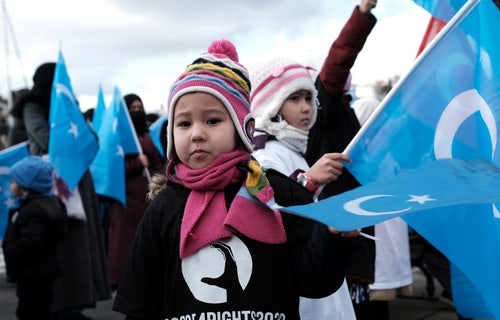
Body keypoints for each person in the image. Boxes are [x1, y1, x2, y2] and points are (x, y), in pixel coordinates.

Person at [113, 39, 360, 319]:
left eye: (212, 120)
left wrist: (333, 239)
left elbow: (314, 281)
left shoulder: (278, 194)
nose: (196, 134)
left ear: (245, 129)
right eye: (184, 123)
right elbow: (140, 302)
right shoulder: (163, 207)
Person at [250, 52, 358, 318]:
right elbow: (265, 212)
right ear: (271, 105)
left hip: (316, 273)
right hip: (298, 284)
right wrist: (307, 181)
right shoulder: (263, 155)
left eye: (309, 97)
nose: (306, 107)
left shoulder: (294, 149)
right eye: (294, 98)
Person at [10, 61, 111, 319]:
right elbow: (45, 139)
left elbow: (90, 139)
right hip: (50, 180)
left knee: (80, 242)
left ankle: (75, 302)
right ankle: (59, 304)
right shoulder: (32, 106)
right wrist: (72, 144)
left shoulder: (69, 105)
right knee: (57, 244)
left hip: (78, 178)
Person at [304, 1, 378, 317]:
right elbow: (337, 63)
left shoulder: (342, 107)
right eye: (295, 98)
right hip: (334, 223)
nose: (302, 106)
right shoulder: (323, 104)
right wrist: (360, 15)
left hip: (354, 218)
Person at [351, 97, 413, 320]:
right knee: (370, 299)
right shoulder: (358, 157)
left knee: (379, 303)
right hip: (374, 235)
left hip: (387, 232)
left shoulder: (385, 153)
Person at [107, 93, 164, 290]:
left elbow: (156, 160)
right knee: (125, 239)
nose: (137, 112)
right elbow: (112, 167)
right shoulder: (118, 136)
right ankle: (121, 278)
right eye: (133, 109)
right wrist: (136, 163)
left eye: (140, 108)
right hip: (125, 197)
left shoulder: (146, 134)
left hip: (146, 195)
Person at [2, 156, 67, 319]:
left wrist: (11, 249)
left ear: (26, 187)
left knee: (31, 312)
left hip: (33, 274)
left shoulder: (34, 210)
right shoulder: (45, 205)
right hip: (39, 273)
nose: (11, 185)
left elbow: (31, 241)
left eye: (14, 182)